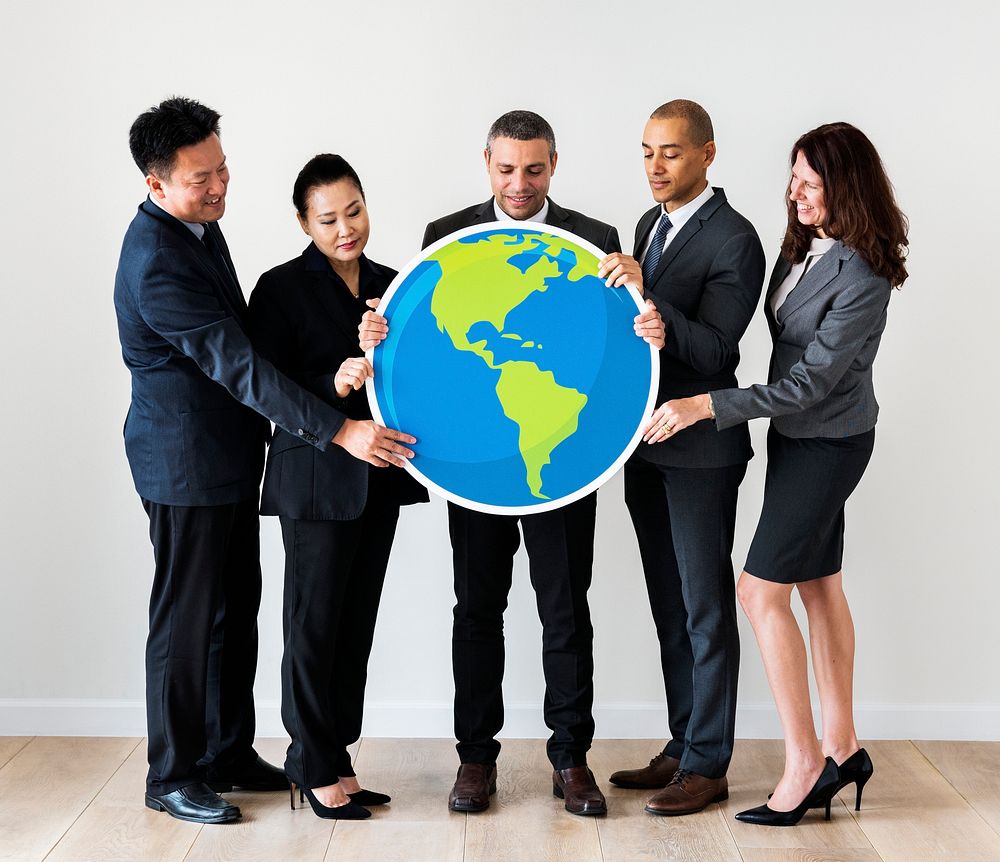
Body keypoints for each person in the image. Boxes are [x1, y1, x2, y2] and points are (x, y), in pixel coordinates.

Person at [361, 109, 665, 817]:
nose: (519, 183)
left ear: (554, 163)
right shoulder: (447, 237)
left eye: (533, 169)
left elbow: (614, 351)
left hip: (560, 453)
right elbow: (428, 350)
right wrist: (379, 332)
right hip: (475, 455)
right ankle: (475, 761)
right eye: (506, 169)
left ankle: (572, 760)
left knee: (565, 610)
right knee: (477, 609)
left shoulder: (596, 242)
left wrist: (647, 317)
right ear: (487, 164)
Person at [115, 98, 396, 825]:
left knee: (233, 611)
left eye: (221, 168)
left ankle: (227, 752)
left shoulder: (199, 231)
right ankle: (172, 773)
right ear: (156, 185)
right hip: (184, 463)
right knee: (185, 619)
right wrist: (337, 429)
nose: (217, 186)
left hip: (230, 458)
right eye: (198, 179)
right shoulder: (156, 262)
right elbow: (239, 364)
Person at [646, 122, 908, 826]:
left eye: (811, 183)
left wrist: (708, 405)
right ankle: (844, 747)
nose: (795, 192)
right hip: (798, 441)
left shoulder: (864, 275)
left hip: (828, 443)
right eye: (793, 177)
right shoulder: (804, 245)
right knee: (820, 589)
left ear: (845, 188)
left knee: (759, 595)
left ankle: (803, 765)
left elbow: (810, 386)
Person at [597, 99, 765, 816]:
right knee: (669, 603)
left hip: (702, 450)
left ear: (707, 154)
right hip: (647, 447)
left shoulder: (737, 240)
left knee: (703, 605)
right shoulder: (649, 227)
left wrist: (660, 317)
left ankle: (709, 764)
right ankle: (683, 739)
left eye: (669, 152)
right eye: (645, 152)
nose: (654, 167)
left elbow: (719, 352)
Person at [247, 155, 427, 820]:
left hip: (378, 478)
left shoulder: (392, 284)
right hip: (316, 480)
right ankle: (311, 759)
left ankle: (336, 754)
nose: (346, 228)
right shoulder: (280, 290)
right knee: (314, 624)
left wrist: (390, 352)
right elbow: (270, 391)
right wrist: (338, 384)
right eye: (328, 219)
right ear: (303, 222)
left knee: (355, 626)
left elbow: (417, 378)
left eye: (354, 211)